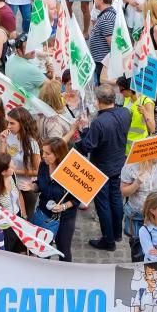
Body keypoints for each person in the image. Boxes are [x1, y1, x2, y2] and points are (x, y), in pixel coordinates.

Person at [67, 84, 130, 251]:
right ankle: (117, 233)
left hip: (101, 168)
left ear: (99, 101)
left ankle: (108, 240)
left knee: (103, 205)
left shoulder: (99, 122)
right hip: (118, 163)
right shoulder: (125, 113)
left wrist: (83, 131)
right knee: (116, 199)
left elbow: (87, 146)